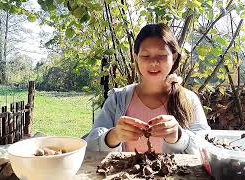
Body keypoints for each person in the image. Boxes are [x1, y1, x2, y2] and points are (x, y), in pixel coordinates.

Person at [86, 23, 210, 154]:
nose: (153, 62)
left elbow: (206, 146)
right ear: (135, 58)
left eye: (162, 55)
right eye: (145, 56)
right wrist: (114, 136)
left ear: (173, 58)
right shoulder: (118, 99)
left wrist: (179, 136)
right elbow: (91, 145)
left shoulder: (189, 100)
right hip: (124, 175)